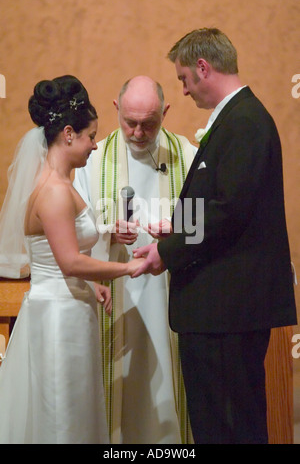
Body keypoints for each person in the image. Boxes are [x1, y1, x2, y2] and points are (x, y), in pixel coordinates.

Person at [132, 28, 297, 444]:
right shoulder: (236, 119)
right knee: (217, 422)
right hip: (222, 308)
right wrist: (175, 225)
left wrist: (167, 252)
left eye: (184, 79)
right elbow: (220, 201)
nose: (183, 91)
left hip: (227, 309)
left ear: (203, 68)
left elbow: (228, 211)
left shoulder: (244, 121)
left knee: (227, 425)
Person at [0, 75, 143, 444]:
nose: (95, 146)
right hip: (58, 319)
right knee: (62, 416)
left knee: (78, 410)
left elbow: (62, 255)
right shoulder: (53, 192)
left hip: (71, 309)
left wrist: (91, 283)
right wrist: (127, 268)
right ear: (68, 134)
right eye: (90, 136)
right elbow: (69, 263)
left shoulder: (63, 184)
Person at [73, 75, 196, 444]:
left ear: (166, 112)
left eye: (149, 123)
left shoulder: (187, 155)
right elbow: (72, 225)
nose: (138, 132)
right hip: (114, 291)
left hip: (167, 291)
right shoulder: (91, 159)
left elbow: (203, 226)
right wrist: (109, 229)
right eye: (130, 122)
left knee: (165, 384)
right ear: (115, 109)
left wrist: (175, 230)